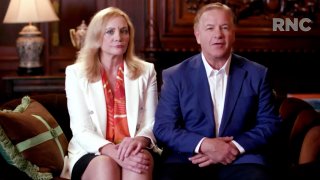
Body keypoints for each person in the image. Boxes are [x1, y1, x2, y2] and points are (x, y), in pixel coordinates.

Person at [153, 2, 281, 180]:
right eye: (210, 28)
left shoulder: (257, 74)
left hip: (241, 159)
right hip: (189, 157)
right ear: (198, 36)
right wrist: (205, 145)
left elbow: (269, 123)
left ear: (233, 34)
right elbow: (164, 127)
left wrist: (234, 146)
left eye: (225, 27)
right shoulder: (175, 75)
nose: (218, 35)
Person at [60, 7, 160, 180]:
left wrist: (139, 141)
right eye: (110, 31)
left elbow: (152, 122)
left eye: (124, 31)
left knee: (138, 161)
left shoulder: (146, 71)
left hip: (134, 147)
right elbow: (81, 130)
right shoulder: (76, 73)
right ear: (97, 36)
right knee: (105, 164)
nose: (118, 37)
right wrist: (113, 152)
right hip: (92, 150)